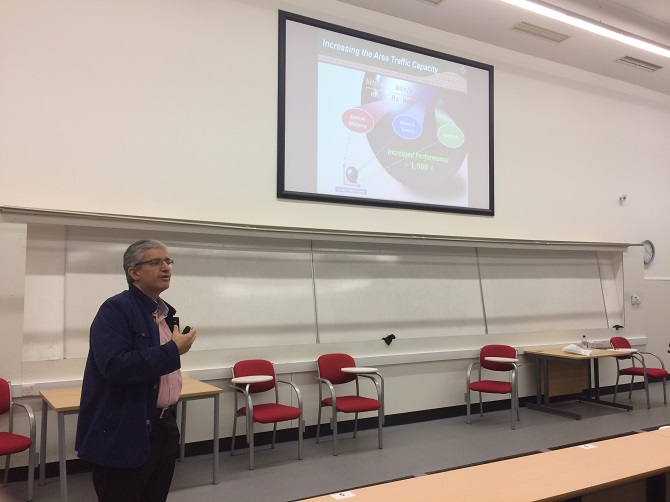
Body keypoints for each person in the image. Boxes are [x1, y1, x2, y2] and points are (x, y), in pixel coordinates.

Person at [75, 239, 197, 502]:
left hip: (163, 427)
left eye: (168, 261)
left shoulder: (163, 313)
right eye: (155, 262)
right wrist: (173, 351)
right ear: (134, 272)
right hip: (126, 430)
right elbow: (115, 366)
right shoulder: (115, 310)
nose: (165, 267)